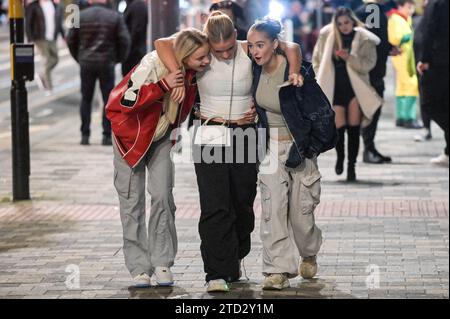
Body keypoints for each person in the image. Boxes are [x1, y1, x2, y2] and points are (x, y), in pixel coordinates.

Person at [154, 11, 302, 293]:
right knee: (214, 204)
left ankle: (234, 254)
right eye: (216, 50)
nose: (221, 55)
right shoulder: (201, 49)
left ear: (237, 36)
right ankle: (216, 273)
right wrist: (175, 71)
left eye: (228, 49)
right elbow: (161, 42)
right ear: (209, 41)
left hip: (245, 133)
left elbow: (292, 47)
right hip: (209, 131)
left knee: (243, 203)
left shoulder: (249, 48)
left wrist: (294, 71)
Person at [105, 28, 210, 288]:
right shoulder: (152, 65)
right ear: (185, 57)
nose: (207, 62)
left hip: (161, 137)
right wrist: (163, 86)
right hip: (130, 140)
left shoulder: (191, 75)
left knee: (163, 196)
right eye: (201, 58)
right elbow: (125, 102)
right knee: (132, 203)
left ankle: (162, 262)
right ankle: (139, 268)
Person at [248, 18, 337, 290]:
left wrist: (310, 149)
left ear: (276, 44)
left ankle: (309, 252)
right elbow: (227, 44)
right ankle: (277, 270)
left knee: (301, 215)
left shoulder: (297, 73)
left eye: (261, 45)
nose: (254, 51)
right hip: (270, 149)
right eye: (251, 46)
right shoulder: (254, 68)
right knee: (272, 209)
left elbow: (324, 115)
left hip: (300, 147)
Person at [313, 7, 382, 181]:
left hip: (355, 89)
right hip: (334, 89)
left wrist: (349, 58)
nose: (344, 27)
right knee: (338, 130)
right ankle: (340, 157)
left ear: (353, 21)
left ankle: (351, 167)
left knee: (353, 129)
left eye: (347, 22)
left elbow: (369, 64)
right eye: (340, 23)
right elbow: (317, 60)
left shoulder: (364, 38)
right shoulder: (327, 36)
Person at [67, 0, 130, 146]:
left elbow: (71, 39)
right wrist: (117, 59)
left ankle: (85, 134)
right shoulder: (114, 16)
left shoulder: (79, 16)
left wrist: (79, 57)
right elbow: (125, 41)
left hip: (86, 63)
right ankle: (107, 135)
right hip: (107, 63)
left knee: (86, 99)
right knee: (108, 99)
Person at [355, 0, 398, 164]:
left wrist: (388, 47)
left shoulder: (362, 9)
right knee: (372, 108)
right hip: (371, 71)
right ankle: (368, 148)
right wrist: (386, 47)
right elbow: (373, 38)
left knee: (370, 108)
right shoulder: (373, 9)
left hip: (366, 69)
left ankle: (368, 147)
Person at [416, 0, 449, 166]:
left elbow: (429, 31)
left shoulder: (436, 4)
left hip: (437, 62)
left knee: (429, 103)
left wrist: (424, 59)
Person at [387, 0, 421, 129]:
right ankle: (409, 118)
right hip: (403, 56)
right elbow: (395, 38)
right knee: (411, 85)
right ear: (400, 6)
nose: (411, 10)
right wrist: (409, 35)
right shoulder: (396, 19)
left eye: (412, 7)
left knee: (402, 87)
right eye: (408, 7)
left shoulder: (404, 18)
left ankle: (401, 118)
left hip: (405, 56)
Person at [25, 0, 65, 94]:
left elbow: (58, 21)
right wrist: (30, 39)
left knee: (55, 59)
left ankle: (42, 74)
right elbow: (28, 23)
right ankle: (48, 87)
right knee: (46, 60)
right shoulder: (34, 6)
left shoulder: (54, 5)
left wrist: (63, 36)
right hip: (40, 37)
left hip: (52, 37)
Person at [413, 0, 433, 142]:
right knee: (425, 100)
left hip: (433, 66)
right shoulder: (420, 21)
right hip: (423, 67)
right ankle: (426, 128)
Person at [121, 0, 148, 76]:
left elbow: (137, 30)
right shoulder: (134, 5)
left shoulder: (137, 5)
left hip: (134, 55)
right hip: (132, 55)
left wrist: (126, 50)